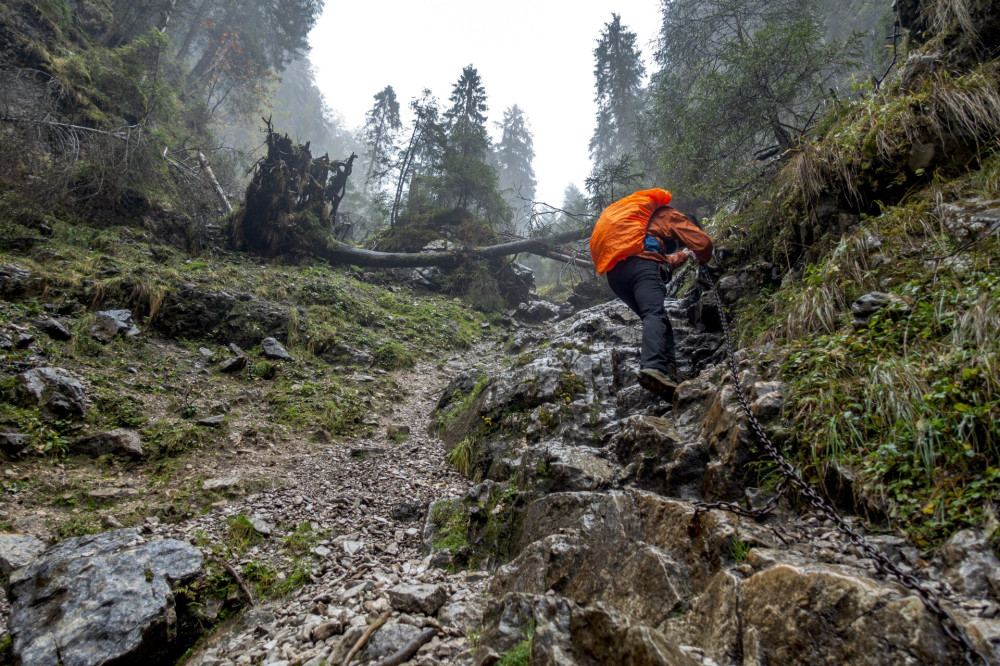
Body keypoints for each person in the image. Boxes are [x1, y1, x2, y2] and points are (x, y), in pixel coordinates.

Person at [589, 188, 713, 398]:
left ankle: (668, 375)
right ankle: (654, 367)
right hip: (642, 267)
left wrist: (682, 255)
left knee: (658, 318)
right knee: (653, 313)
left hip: (617, 276)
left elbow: (660, 261)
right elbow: (703, 242)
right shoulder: (668, 215)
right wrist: (702, 256)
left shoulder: (641, 231)